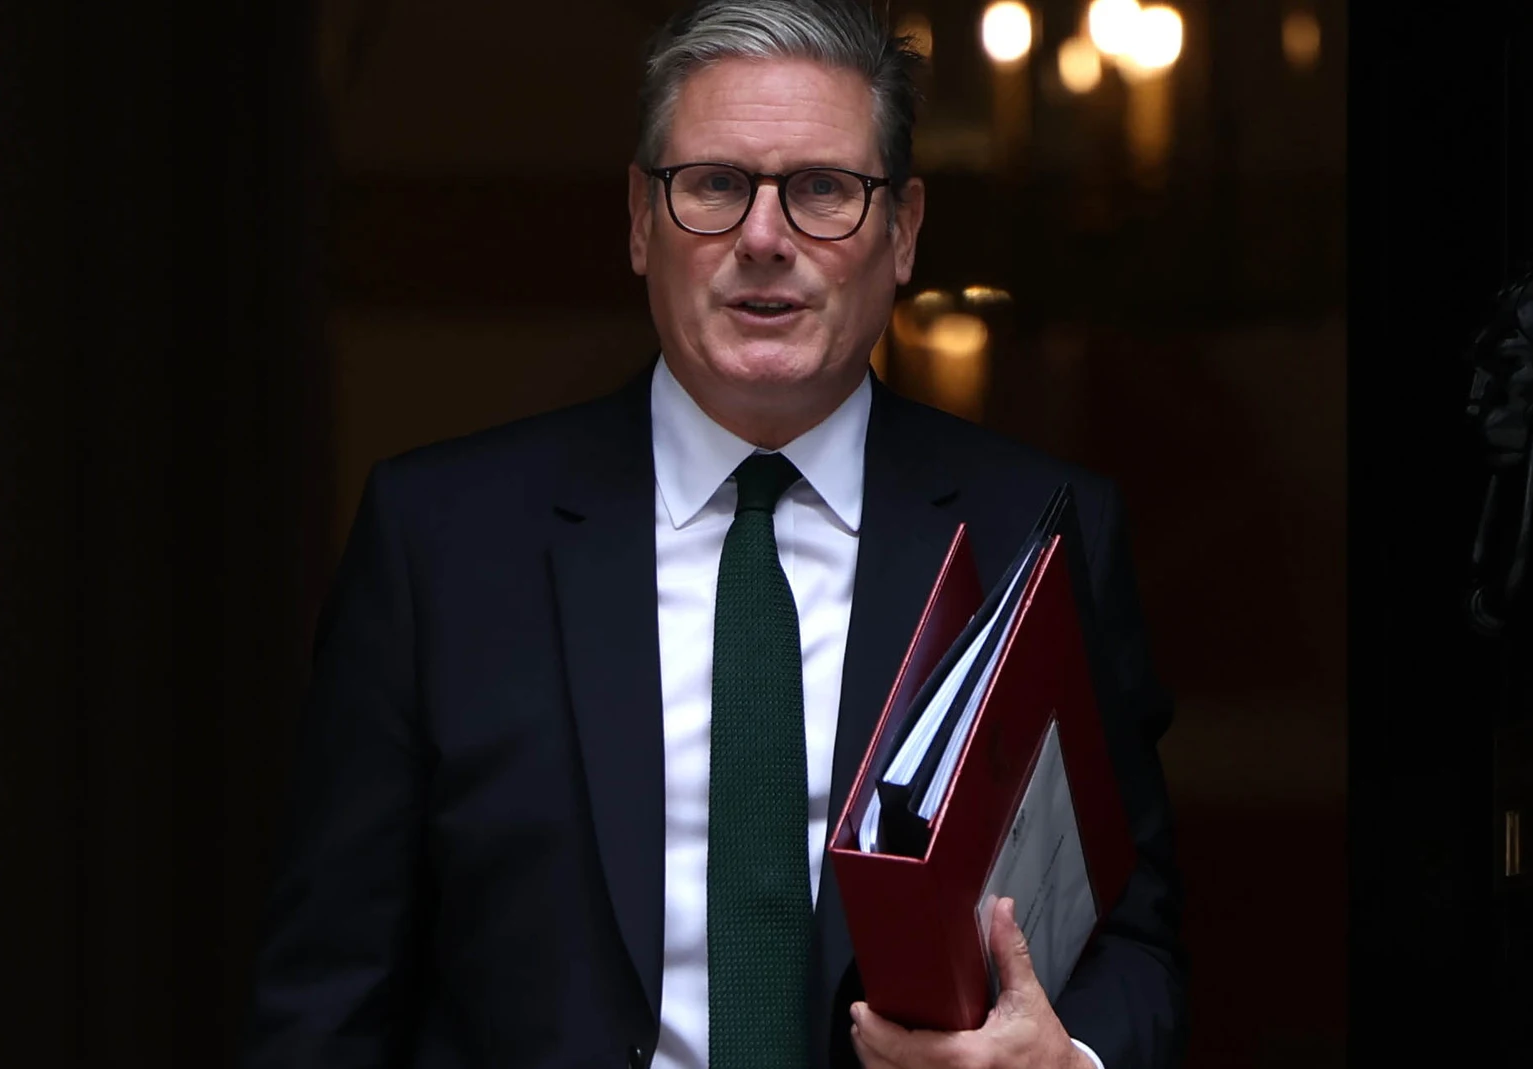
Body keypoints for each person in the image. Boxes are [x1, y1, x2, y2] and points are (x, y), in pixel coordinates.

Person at [238, 1, 1185, 1066]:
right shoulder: (442, 546)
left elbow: (1131, 944)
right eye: (715, 186)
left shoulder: (1041, 537)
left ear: (904, 230)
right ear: (641, 222)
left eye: (824, 189)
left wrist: (1065, 1061)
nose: (765, 239)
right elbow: (326, 996)